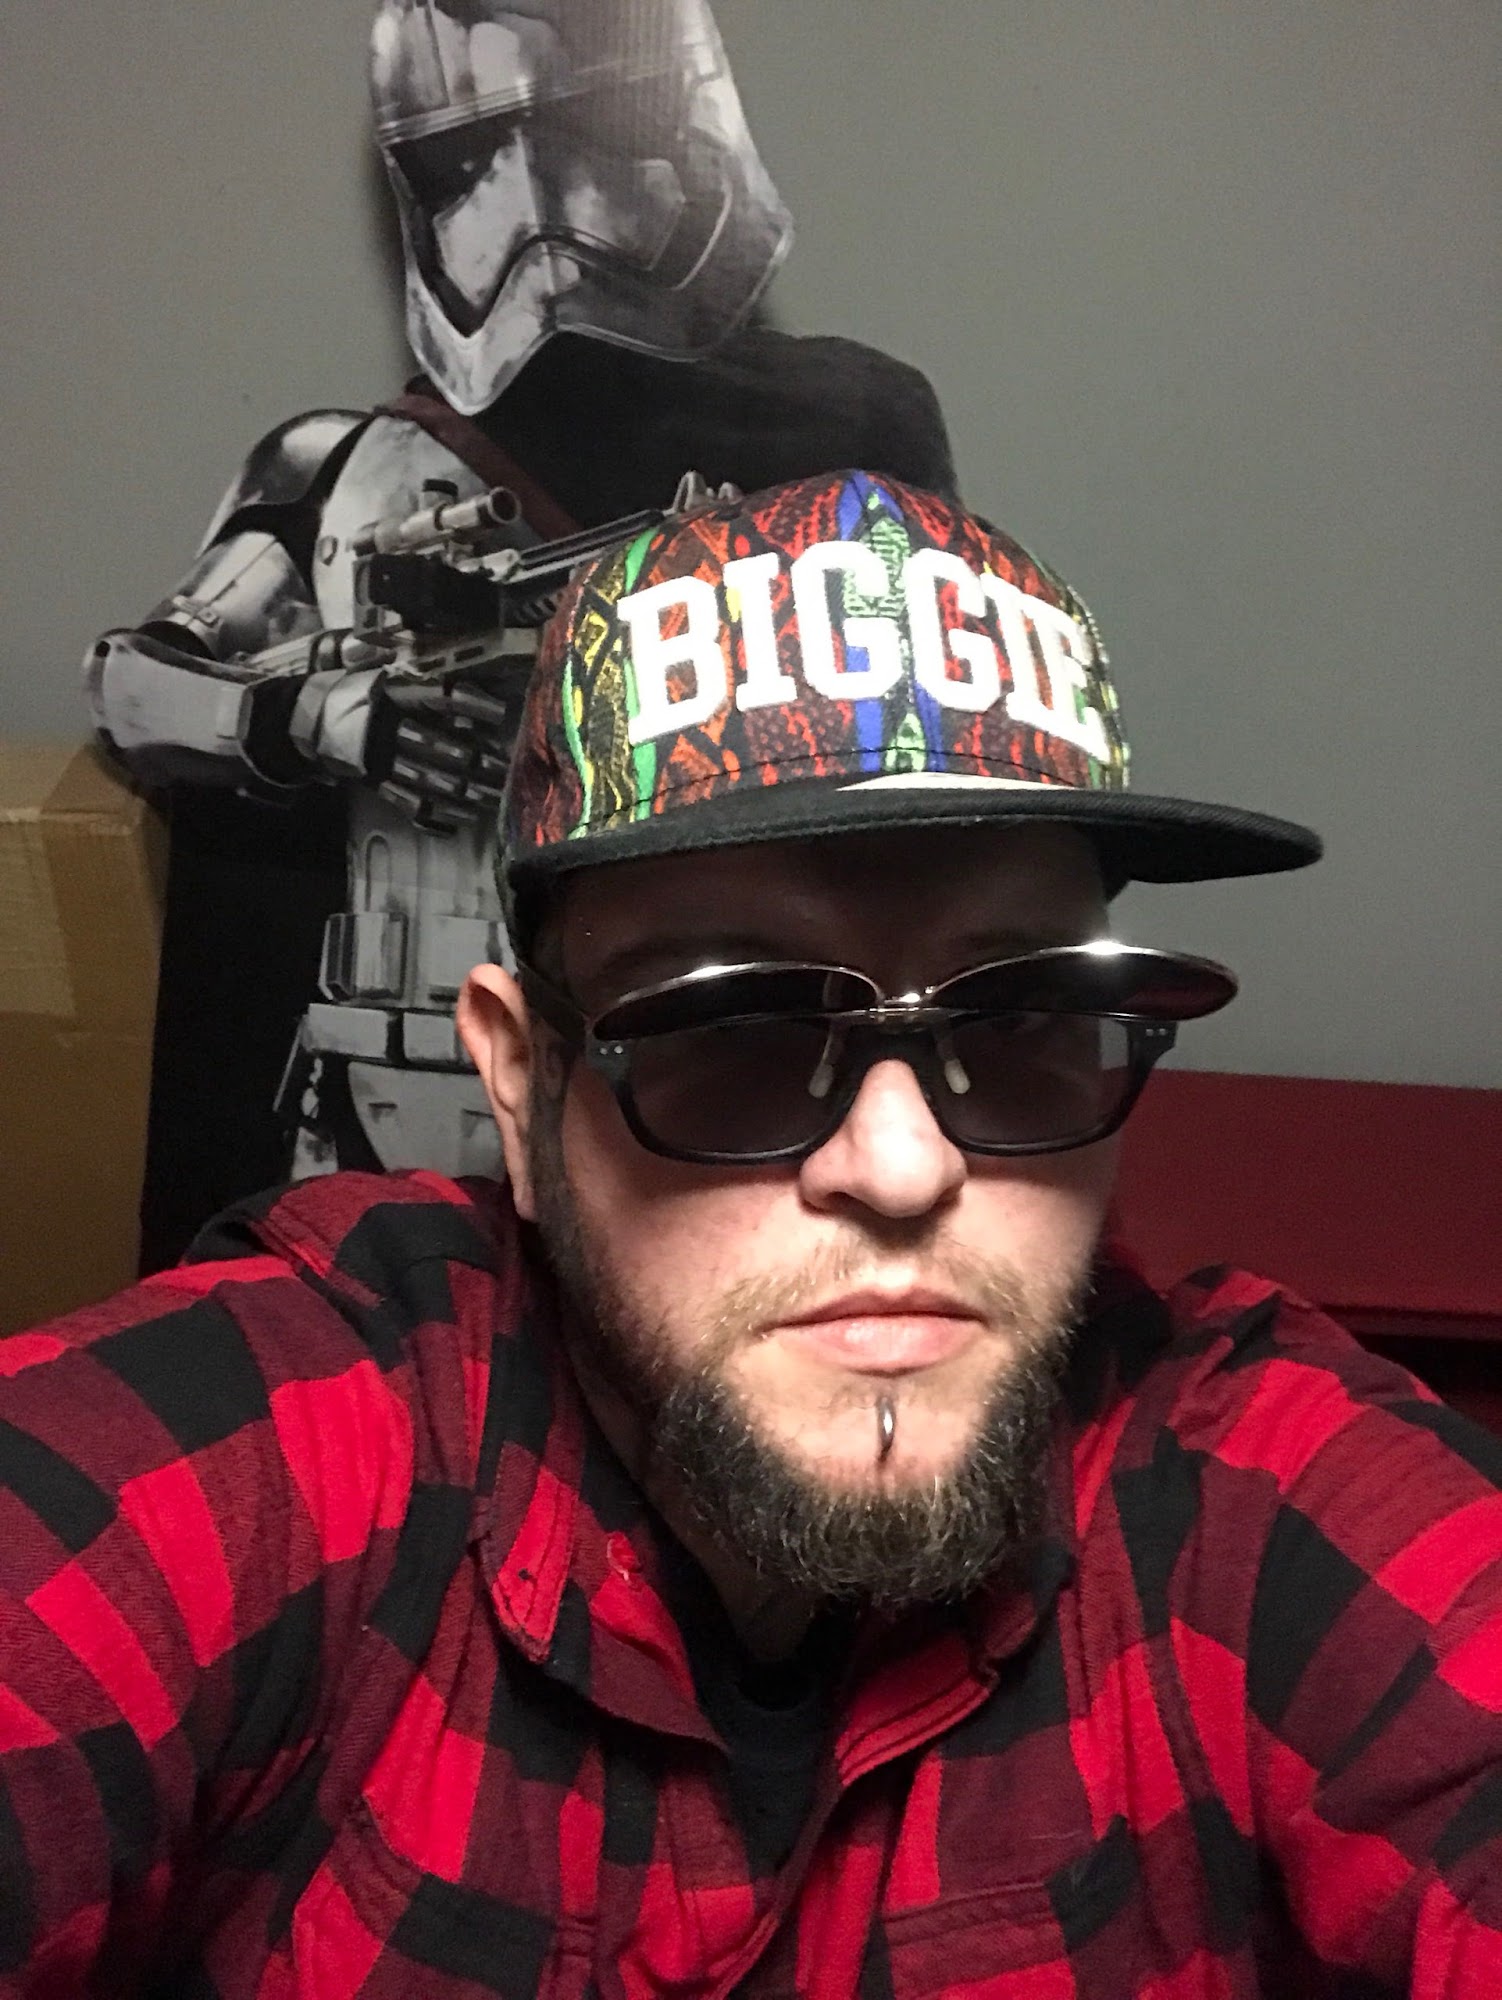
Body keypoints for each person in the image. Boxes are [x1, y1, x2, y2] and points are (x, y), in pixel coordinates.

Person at [6, 469, 1498, 1995]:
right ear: (521, 1087)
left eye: (1021, 1017)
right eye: (732, 1029)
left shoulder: (1245, 1485)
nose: (902, 1169)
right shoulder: (283, 1448)